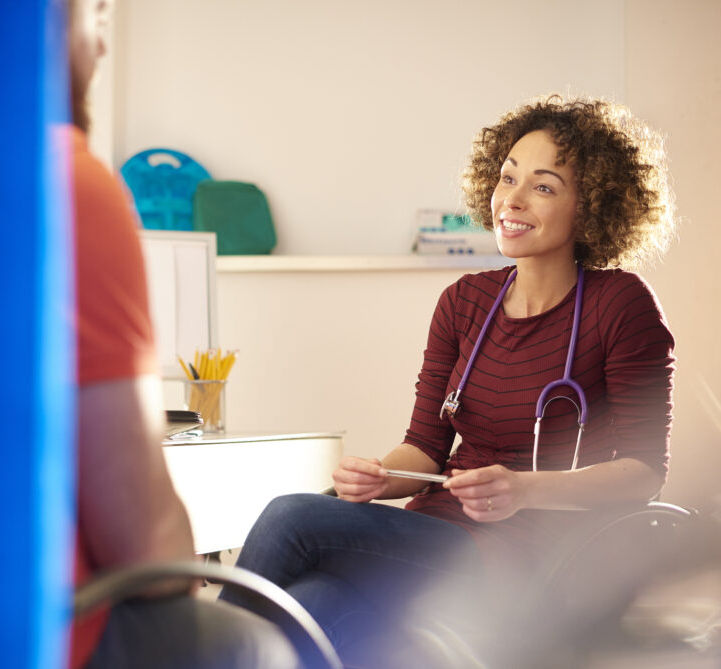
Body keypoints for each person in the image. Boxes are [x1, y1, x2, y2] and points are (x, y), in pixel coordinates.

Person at [218, 95, 677, 667]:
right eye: (507, 177)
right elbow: (425, 450)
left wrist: (524, 488)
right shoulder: (465, 302)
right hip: (437, 536)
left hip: (538, 555)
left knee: (294, 517)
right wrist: (377, 478)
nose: (511, 198)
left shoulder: (621, 305)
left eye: (543, 185)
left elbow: (644, 474)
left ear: (591, 207)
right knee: (316, 604)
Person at [66, 1, 299, 667]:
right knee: (263, 642)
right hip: (42, 624)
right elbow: (147, 544)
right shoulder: (76, 188)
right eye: (98, 17)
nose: (104, 49)